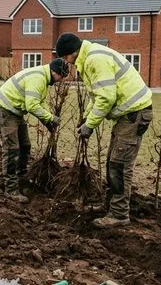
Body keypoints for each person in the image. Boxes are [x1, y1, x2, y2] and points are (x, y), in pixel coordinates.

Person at [55, 33, 153, 228]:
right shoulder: (90, 56)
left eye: (65, 57)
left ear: (73, 52)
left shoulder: (95, 60)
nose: (67, 62)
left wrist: (89, 125)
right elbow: (97, 97)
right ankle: (111, 207)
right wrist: (86, 118)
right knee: (112, 162)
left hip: (135, 114)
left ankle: (119, 214)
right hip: (128, 115)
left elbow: (106, 98)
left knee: (120, 166)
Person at [0, 58, 68, 203]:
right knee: (12, 149)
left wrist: (46, 121)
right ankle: (11, 189)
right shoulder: (38, 78)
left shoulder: (43, 78)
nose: (61, 80)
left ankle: (22, 179)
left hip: (15, 111)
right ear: (54, 71)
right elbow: (32, 106)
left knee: (25, 146)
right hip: (5, 110)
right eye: (61, 76)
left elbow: (38, 103)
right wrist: (51, 118)